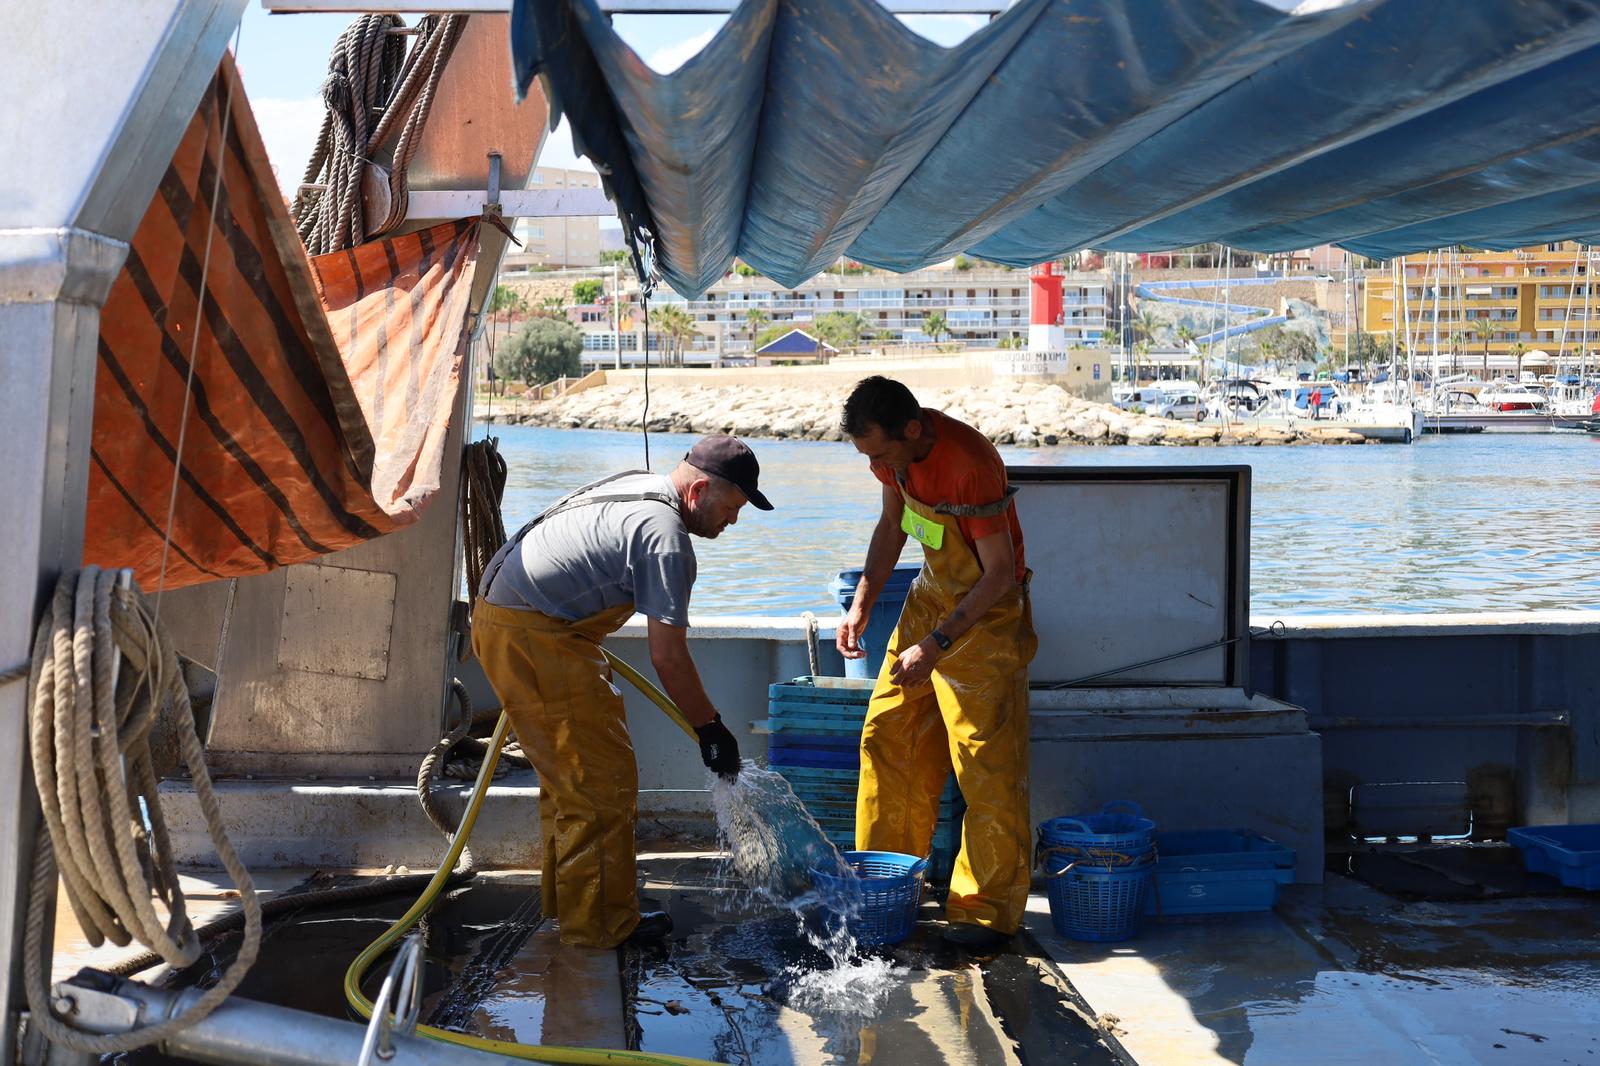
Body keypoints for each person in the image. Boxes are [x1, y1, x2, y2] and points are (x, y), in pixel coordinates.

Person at [472, 436, 772, 949]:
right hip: (536, 634)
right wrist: (711, 729)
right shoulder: (666, 536)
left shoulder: (640, 485)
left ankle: (568, 909)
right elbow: (668, 656)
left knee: (573, 779)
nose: (733, 522)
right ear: (698, 490)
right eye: (731, 508)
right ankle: (600, 928)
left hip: (517, 622)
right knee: (599, 784)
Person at [836, 376, 1037, 951]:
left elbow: (999, 575)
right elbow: (892, 526)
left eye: (878, 452)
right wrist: (861, 606)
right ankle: (888, 886)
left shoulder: (969, 464)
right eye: (866, 455)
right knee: (887, 733)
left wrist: (936, 645)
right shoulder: (892, 461)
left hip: (987, 616)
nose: (873, 463)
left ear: (914, 430)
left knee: (986, 767)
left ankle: (984, 913)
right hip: (929, 600)